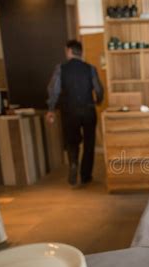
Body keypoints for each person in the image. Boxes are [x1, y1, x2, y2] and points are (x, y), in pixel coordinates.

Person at [46, 40, 104, 186]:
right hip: (88, 109)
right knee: (89, 143)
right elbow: (98, 88)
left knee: (72, 141)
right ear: (81, 52)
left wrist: (51, 109)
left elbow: (54, 90)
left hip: (70, 111)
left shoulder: (61, 69)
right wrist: (98, 101)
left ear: (69, 51)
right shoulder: (90, 68)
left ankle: (73, 164)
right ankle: (85, 176)